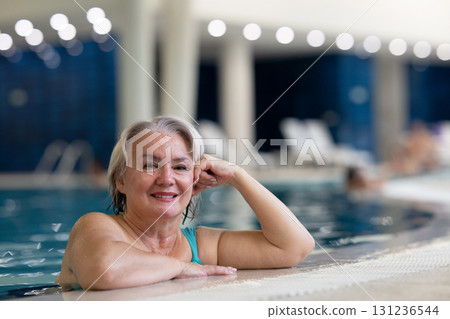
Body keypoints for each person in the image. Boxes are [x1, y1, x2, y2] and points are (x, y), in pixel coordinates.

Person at [55, 116, 315, 290]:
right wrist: (181, 267)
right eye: (149, 165)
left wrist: (238, 176)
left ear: (194, 180)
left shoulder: (200, 245)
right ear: (121, 180)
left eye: (180, 167)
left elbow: (294, 247)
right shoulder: (96, 226)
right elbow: (105, 269)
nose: (166, 178)